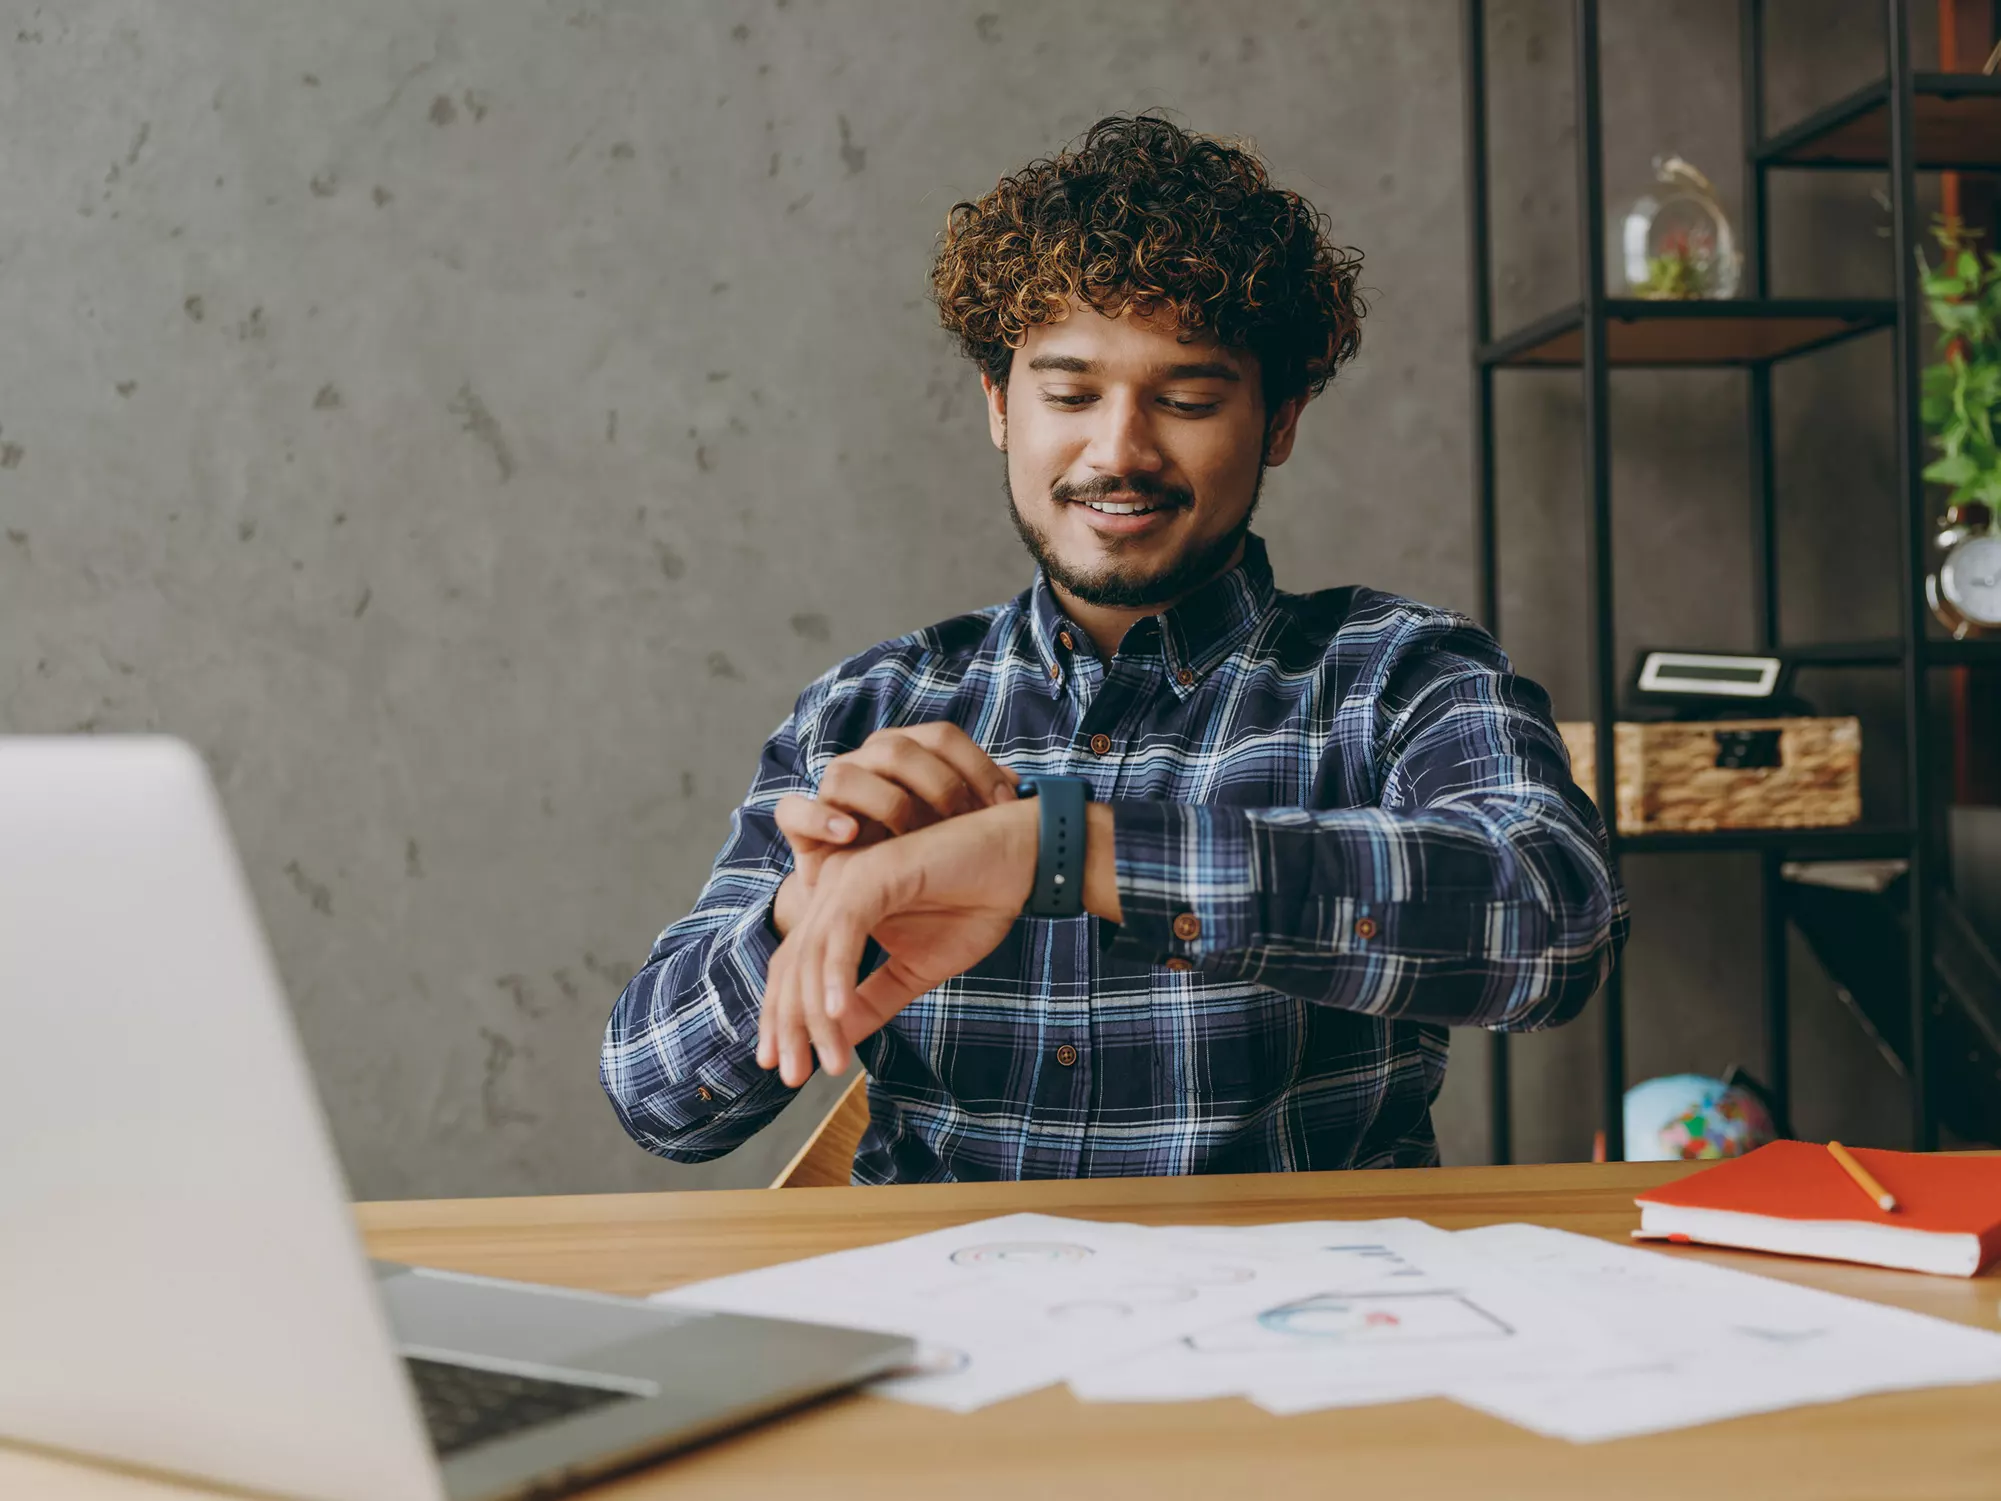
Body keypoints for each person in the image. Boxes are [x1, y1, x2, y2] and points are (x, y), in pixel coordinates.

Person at [602, 113, 1627, 1183]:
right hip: (955, 1329)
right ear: (1001, 406)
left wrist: (1060, 850)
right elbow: (659, 1102)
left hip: (1292, 1327)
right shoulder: (872, 707)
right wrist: (814, 915)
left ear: (1280, 421)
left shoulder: (1397, 676)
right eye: (1071, 394)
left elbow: (1554, 923)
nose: (1120, 451)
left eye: (1185, 399)